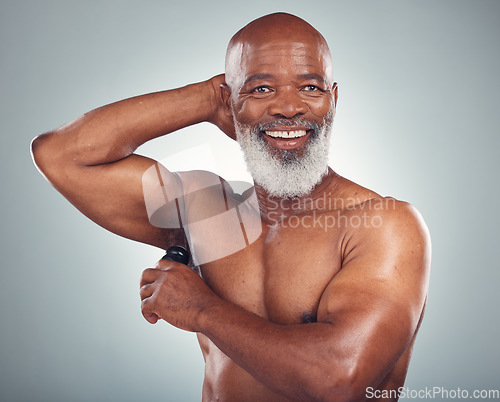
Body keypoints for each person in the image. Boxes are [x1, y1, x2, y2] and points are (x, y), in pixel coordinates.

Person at [31, 12, 431, 402]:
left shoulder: (383, 225)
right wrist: (205, 99)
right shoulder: (209, 214)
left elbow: (340, 381)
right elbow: (62, 155)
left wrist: (202, 310)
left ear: (333, 99)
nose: (289, 108)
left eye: (310, 88)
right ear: (230, 100)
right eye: (261, 89)